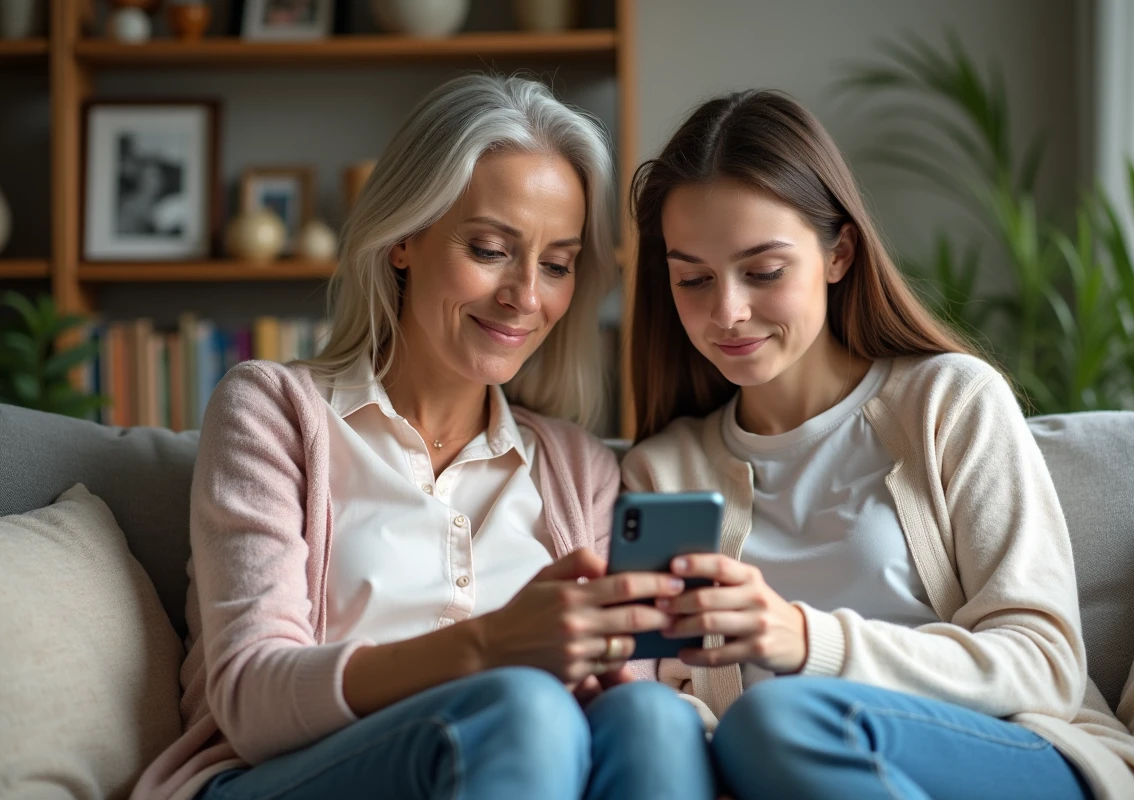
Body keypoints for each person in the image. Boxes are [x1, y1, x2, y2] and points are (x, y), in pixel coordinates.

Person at [132, 74, 711, 800]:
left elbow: (622, 698)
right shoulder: (274, 411)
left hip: (529, 764)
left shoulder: (576, 467)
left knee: (654, 716)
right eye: (491, 248)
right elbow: (250, 700)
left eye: (557, 265)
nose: (526, 297)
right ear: (406, 239)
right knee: (525, 707)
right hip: (285, 777)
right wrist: (492, 646)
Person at [621, 89, 1134, 799]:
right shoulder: (662, 470)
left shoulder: (948, 402)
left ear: (839, 253)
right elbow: (671, 700)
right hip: (787, 774)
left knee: (776, 718)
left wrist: (803, 639)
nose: (727, 311)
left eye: (764, 271)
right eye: (693, 279)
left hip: (1018, 756)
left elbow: (1044, 663)